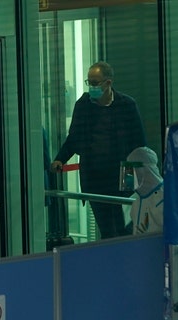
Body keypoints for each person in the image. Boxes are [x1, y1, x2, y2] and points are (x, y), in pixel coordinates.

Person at [51, 61, 146, 239]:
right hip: (95, 178)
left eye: (95, 83)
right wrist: (60, 159)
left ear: (108, 83)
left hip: (121, 178)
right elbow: (74, 137)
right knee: (107, 230)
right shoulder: (83, 105)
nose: (91, 87)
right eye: (89, 82)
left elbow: (138, 144)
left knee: (123, 228)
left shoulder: (127, 105)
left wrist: (137, 177)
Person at [126, 147, 163, 234]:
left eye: (132, 171)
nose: (129, 177)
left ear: (147, 171)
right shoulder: (136, 203)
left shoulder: (165, 200)